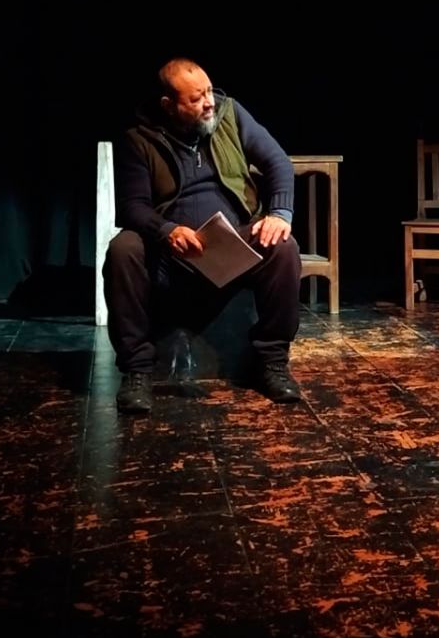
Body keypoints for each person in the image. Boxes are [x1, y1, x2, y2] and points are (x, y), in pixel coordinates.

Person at [103, 58, 303, 414]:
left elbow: (278, 163)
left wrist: (279, 214)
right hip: (172, 256)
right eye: (196, 99)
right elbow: (133, 207)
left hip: (234, 245)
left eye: (209, 91)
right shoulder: (139, 138)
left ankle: (273, 363)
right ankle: (137, 371)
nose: (209, 102)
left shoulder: (230, 114)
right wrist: (166, 231)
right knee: (123, 249)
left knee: (283, 247)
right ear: (169, 105)